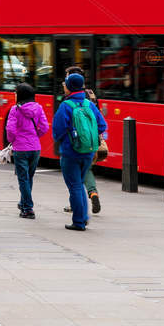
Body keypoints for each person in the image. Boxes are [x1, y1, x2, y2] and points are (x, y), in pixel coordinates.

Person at [52, 70, 106, 231]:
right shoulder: (89, 104)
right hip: (89, 152)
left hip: (71, 152)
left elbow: (57, 131)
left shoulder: (65, 106)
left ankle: (79, 221)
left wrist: (66, 139)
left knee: (74, 186)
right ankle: (83, 216)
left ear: (69, 87)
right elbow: (102, 125)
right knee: (79, 184)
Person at [64, 62, 108, 215]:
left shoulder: (71, 98)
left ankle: (79, 202)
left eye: (67, 77)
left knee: (75, 174)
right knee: (85, 169)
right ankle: (91, 193)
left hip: (77, 141)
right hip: (92, 140)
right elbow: (101, 121)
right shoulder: (90, 94)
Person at [6, 82, 49, 219]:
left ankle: (28, 208)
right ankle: (23, 202)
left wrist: (12, 140)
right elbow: (44, 127)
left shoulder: (15, 110)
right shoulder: (39, 108)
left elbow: (10, 130)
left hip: (21, 148)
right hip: (35, 148)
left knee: (23, 178)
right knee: (28, 177)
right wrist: (35, 136)